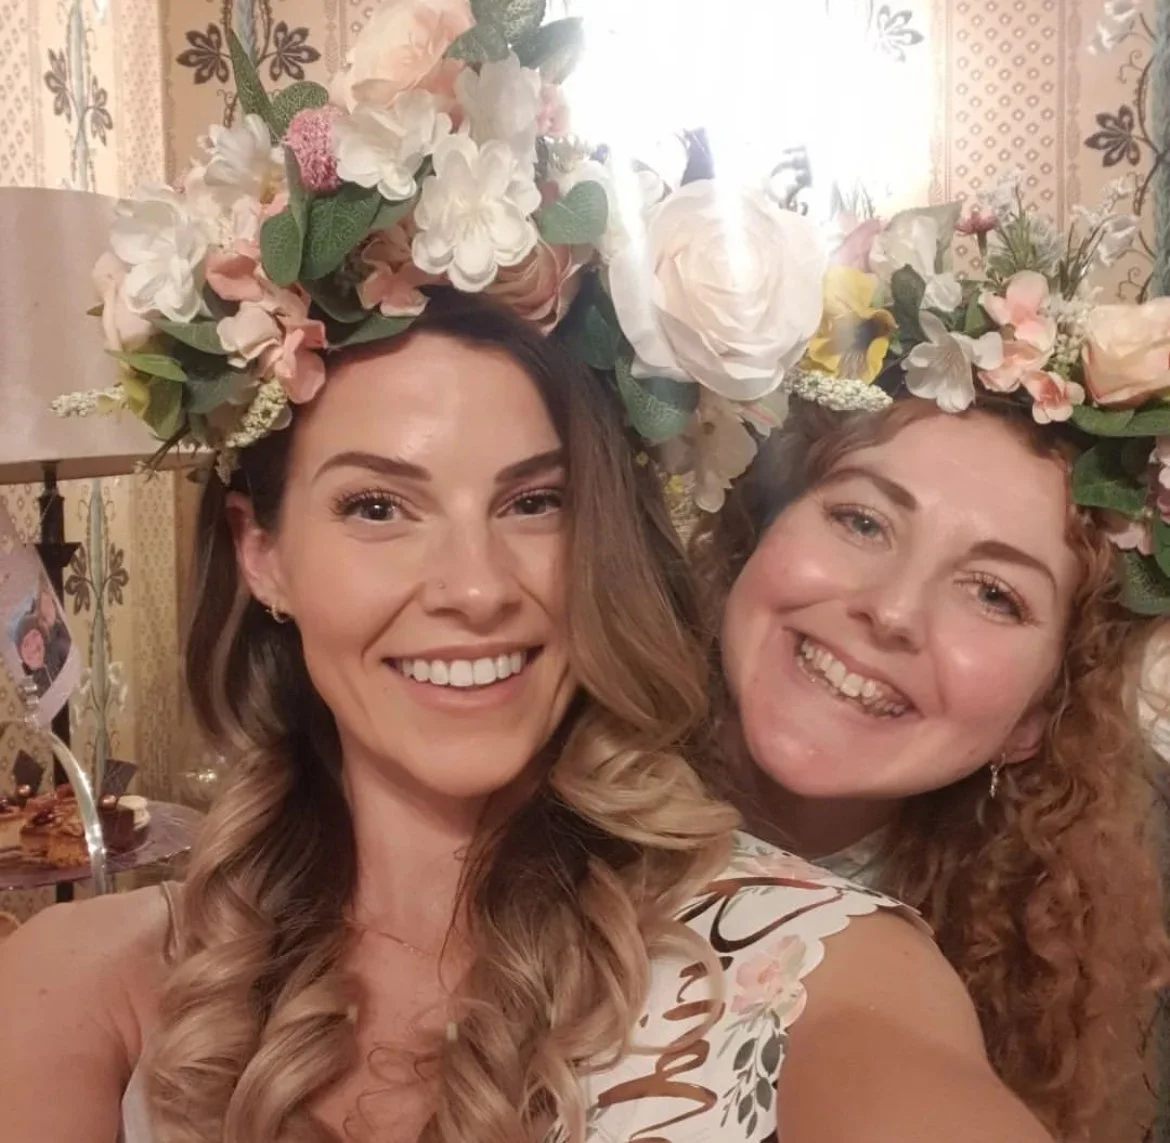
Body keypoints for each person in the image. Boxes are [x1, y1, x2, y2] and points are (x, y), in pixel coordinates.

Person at [0, 6, 1052, 1138]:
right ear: (263, 554)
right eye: (377, 507)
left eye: (533, 502)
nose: (476, 586)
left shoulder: (815, 975)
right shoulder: (94, 978)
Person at [691, 199, 1170, 1139]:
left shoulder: (1021, 966)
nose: (894, 610)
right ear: (754, 540)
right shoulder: (521, 797)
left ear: (1035, 716)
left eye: (993, 594)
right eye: (862, 520)